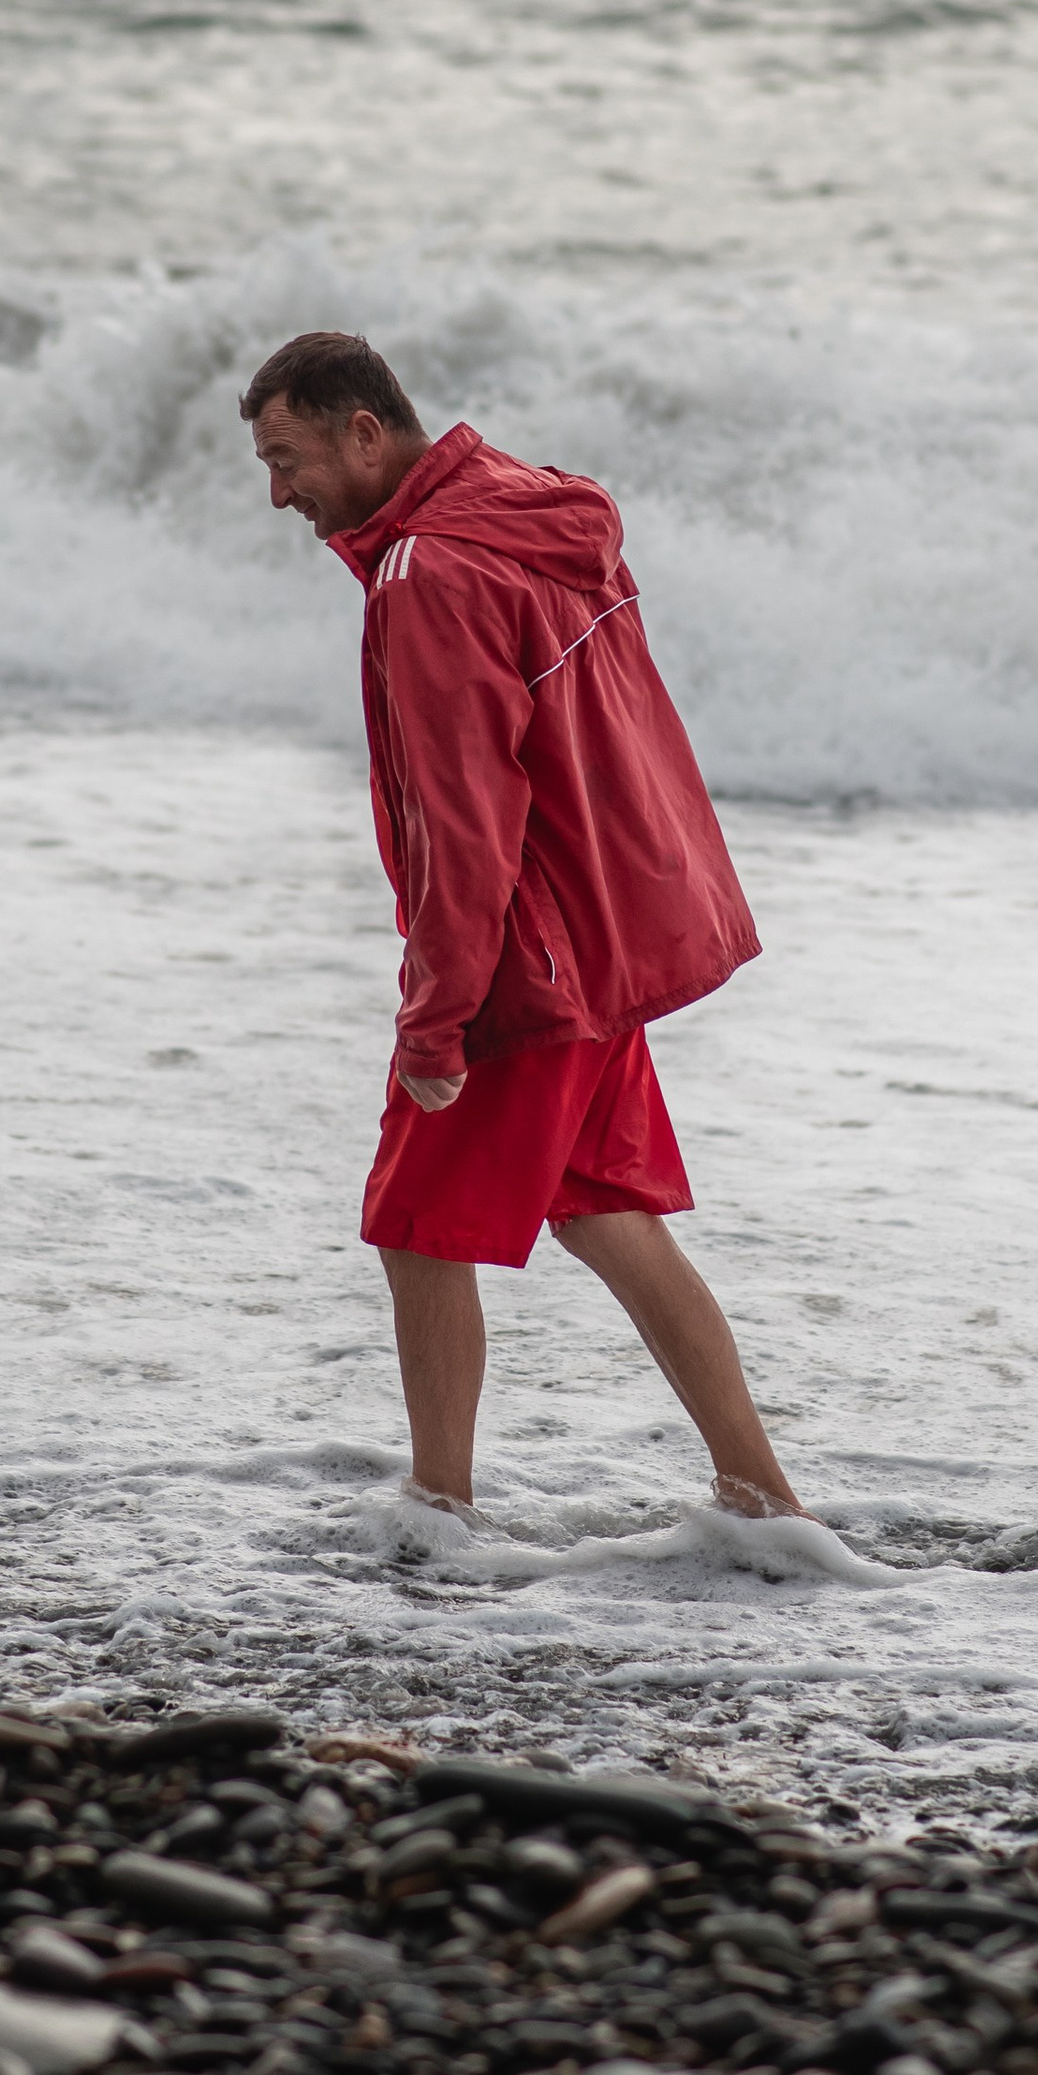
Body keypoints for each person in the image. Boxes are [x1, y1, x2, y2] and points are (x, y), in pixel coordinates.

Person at [242, 327, 813, 1530]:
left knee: (414, 1224)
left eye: (288, 458)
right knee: (610, 1217)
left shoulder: (428, 575)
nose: (277, 491)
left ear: (364, 430)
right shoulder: (529, 515)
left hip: (529, 957)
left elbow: (467, 819)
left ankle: (435, 1517)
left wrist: (436, 1019)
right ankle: (766, 1504)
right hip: (606, 938)